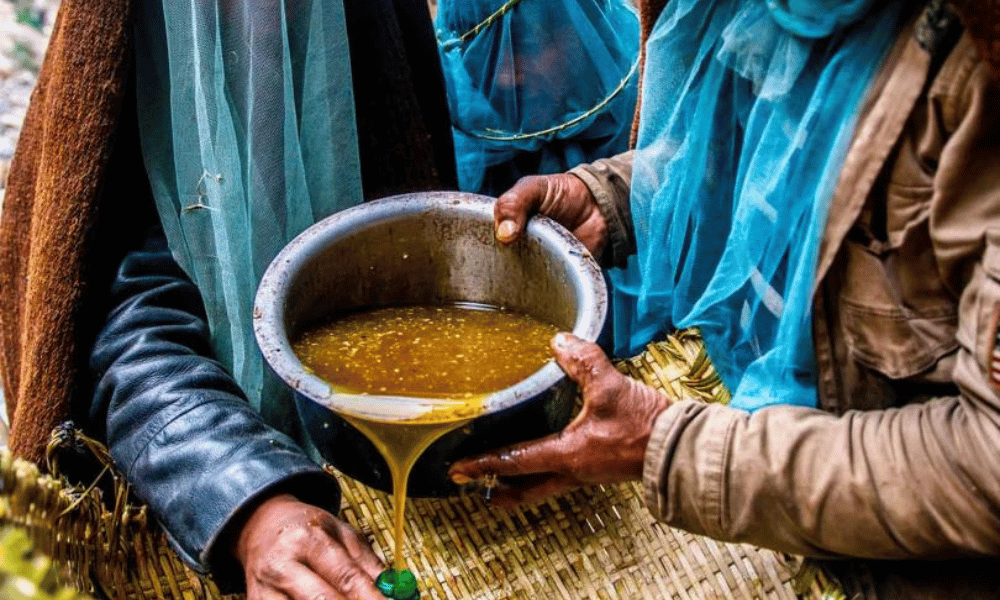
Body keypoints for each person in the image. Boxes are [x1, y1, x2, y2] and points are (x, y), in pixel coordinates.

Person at [449, 0, 1000, 597]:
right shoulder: (763, 11)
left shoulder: (973, 75)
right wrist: (609, 201)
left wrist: (669, 446)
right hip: (792, 481)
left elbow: (986, 467)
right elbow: (777, 158)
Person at [1, 0, 456, 599]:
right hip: (206, 453)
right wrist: (247, 502)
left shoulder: (370, 29)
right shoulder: (148, 43)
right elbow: (116, 320)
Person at [435, 0, 639, 195]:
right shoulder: (461, 149)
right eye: (485, 54)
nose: (504, 78)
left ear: (583, 28)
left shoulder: (643, 123)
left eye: (526, 45)